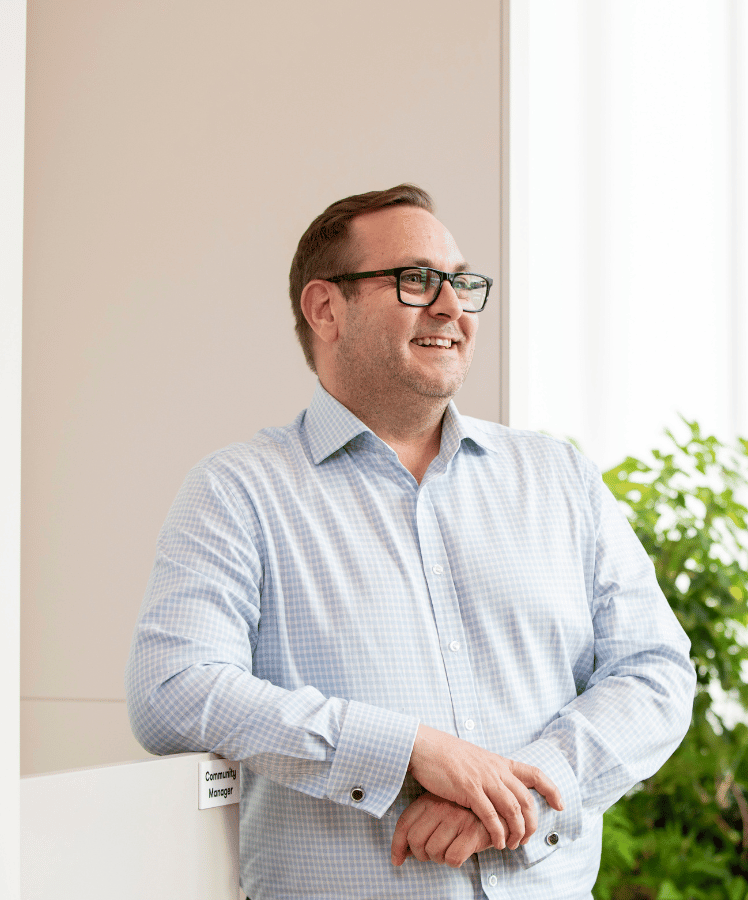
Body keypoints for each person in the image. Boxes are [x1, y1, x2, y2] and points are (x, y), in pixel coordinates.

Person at [125, 184, 696, 899]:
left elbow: (656, 672)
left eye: (460, 282)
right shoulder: (239, 492)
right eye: (417, 279)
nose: (453, 307)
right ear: (326, 308)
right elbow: (172, 690)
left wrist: (514, 796)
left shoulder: (560, 479)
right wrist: (410, 753)